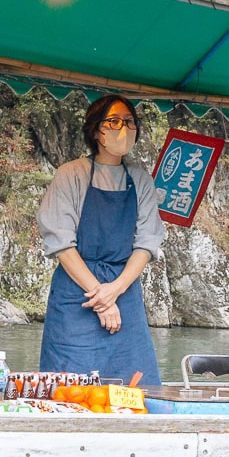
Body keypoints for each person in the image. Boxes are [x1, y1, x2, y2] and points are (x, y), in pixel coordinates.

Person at [37, 94, 166, 386]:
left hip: (125, 292)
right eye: (114, 121)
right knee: (67, 386)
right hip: (77, 295)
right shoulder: (71, 174)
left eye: (130, 121)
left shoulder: (140, 179)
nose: (124, 128)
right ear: (96, 130)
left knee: (136, 387)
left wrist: (116, 290)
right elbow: (62, 244)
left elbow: (146, 244)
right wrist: (102, 299)